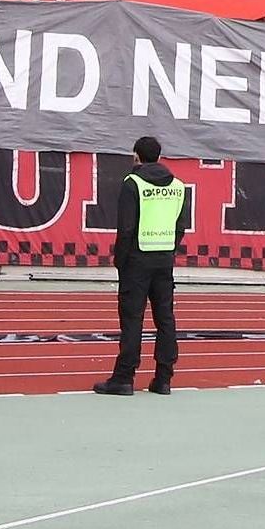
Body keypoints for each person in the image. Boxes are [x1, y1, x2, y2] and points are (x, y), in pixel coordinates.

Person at [94, 135, 190, 396]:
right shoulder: (178, 186)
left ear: (136, 156)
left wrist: (120, 261)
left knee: (132, 319)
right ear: (159, 157)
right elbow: (180, 226)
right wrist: (168, 249)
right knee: (166, 320)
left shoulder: (132, 183)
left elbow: (125, 228)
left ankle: (124, 378)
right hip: (164, 260)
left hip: (136, 260)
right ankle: (164, 379)